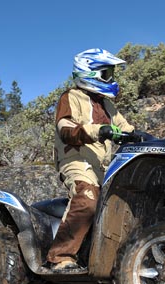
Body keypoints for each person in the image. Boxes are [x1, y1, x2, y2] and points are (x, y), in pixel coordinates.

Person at [46, 48, 137, 270]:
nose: (111, 79)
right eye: (107, 74)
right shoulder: (71, 97)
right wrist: (99, 130)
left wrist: (141, 137)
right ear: (89, 74)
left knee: (119, 207)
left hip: (103, 166)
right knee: (87, 200)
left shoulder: (107, 104)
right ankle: (60, 256)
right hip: (76, 160)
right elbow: (65, 129)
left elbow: (126, 128)